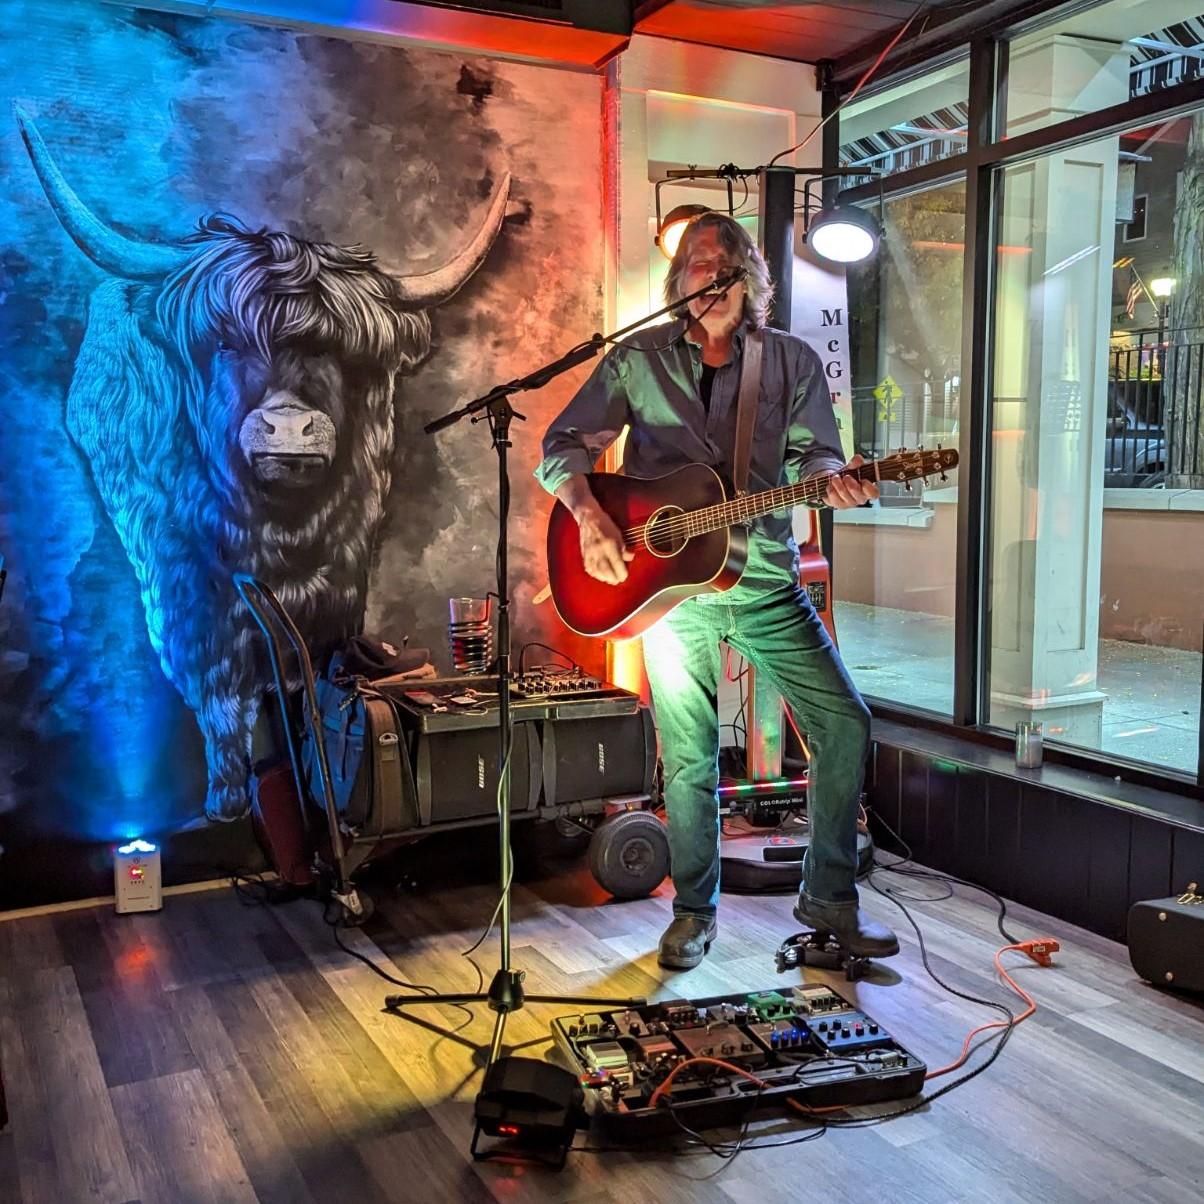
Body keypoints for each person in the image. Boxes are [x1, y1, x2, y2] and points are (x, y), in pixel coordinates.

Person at [534, 212, 899, 969]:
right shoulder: (637, 358)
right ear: (679, 280)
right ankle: (694, 914)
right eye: (700, 263)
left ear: (752, 281)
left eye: (729, 263)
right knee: (689, 758)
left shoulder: (791, 361)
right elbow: (561, 445)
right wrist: (591, 518)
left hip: (765, 582)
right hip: (669, 598)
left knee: (844, 725)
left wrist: (834, 483)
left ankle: (830, 899)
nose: (713, 274)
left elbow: (816, 459)